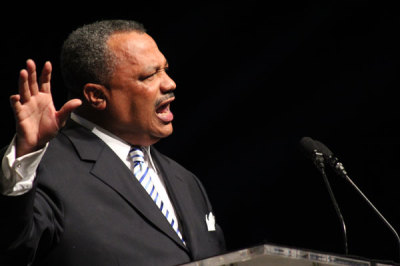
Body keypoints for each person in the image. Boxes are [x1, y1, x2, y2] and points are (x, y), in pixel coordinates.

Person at [0, 20, 226, 266]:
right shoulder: (42, 169)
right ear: (96, 95)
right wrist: (27, 154)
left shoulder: (186, 181)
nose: (170, 83)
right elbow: (13, 249)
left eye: (165, 69)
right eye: (150, 75)